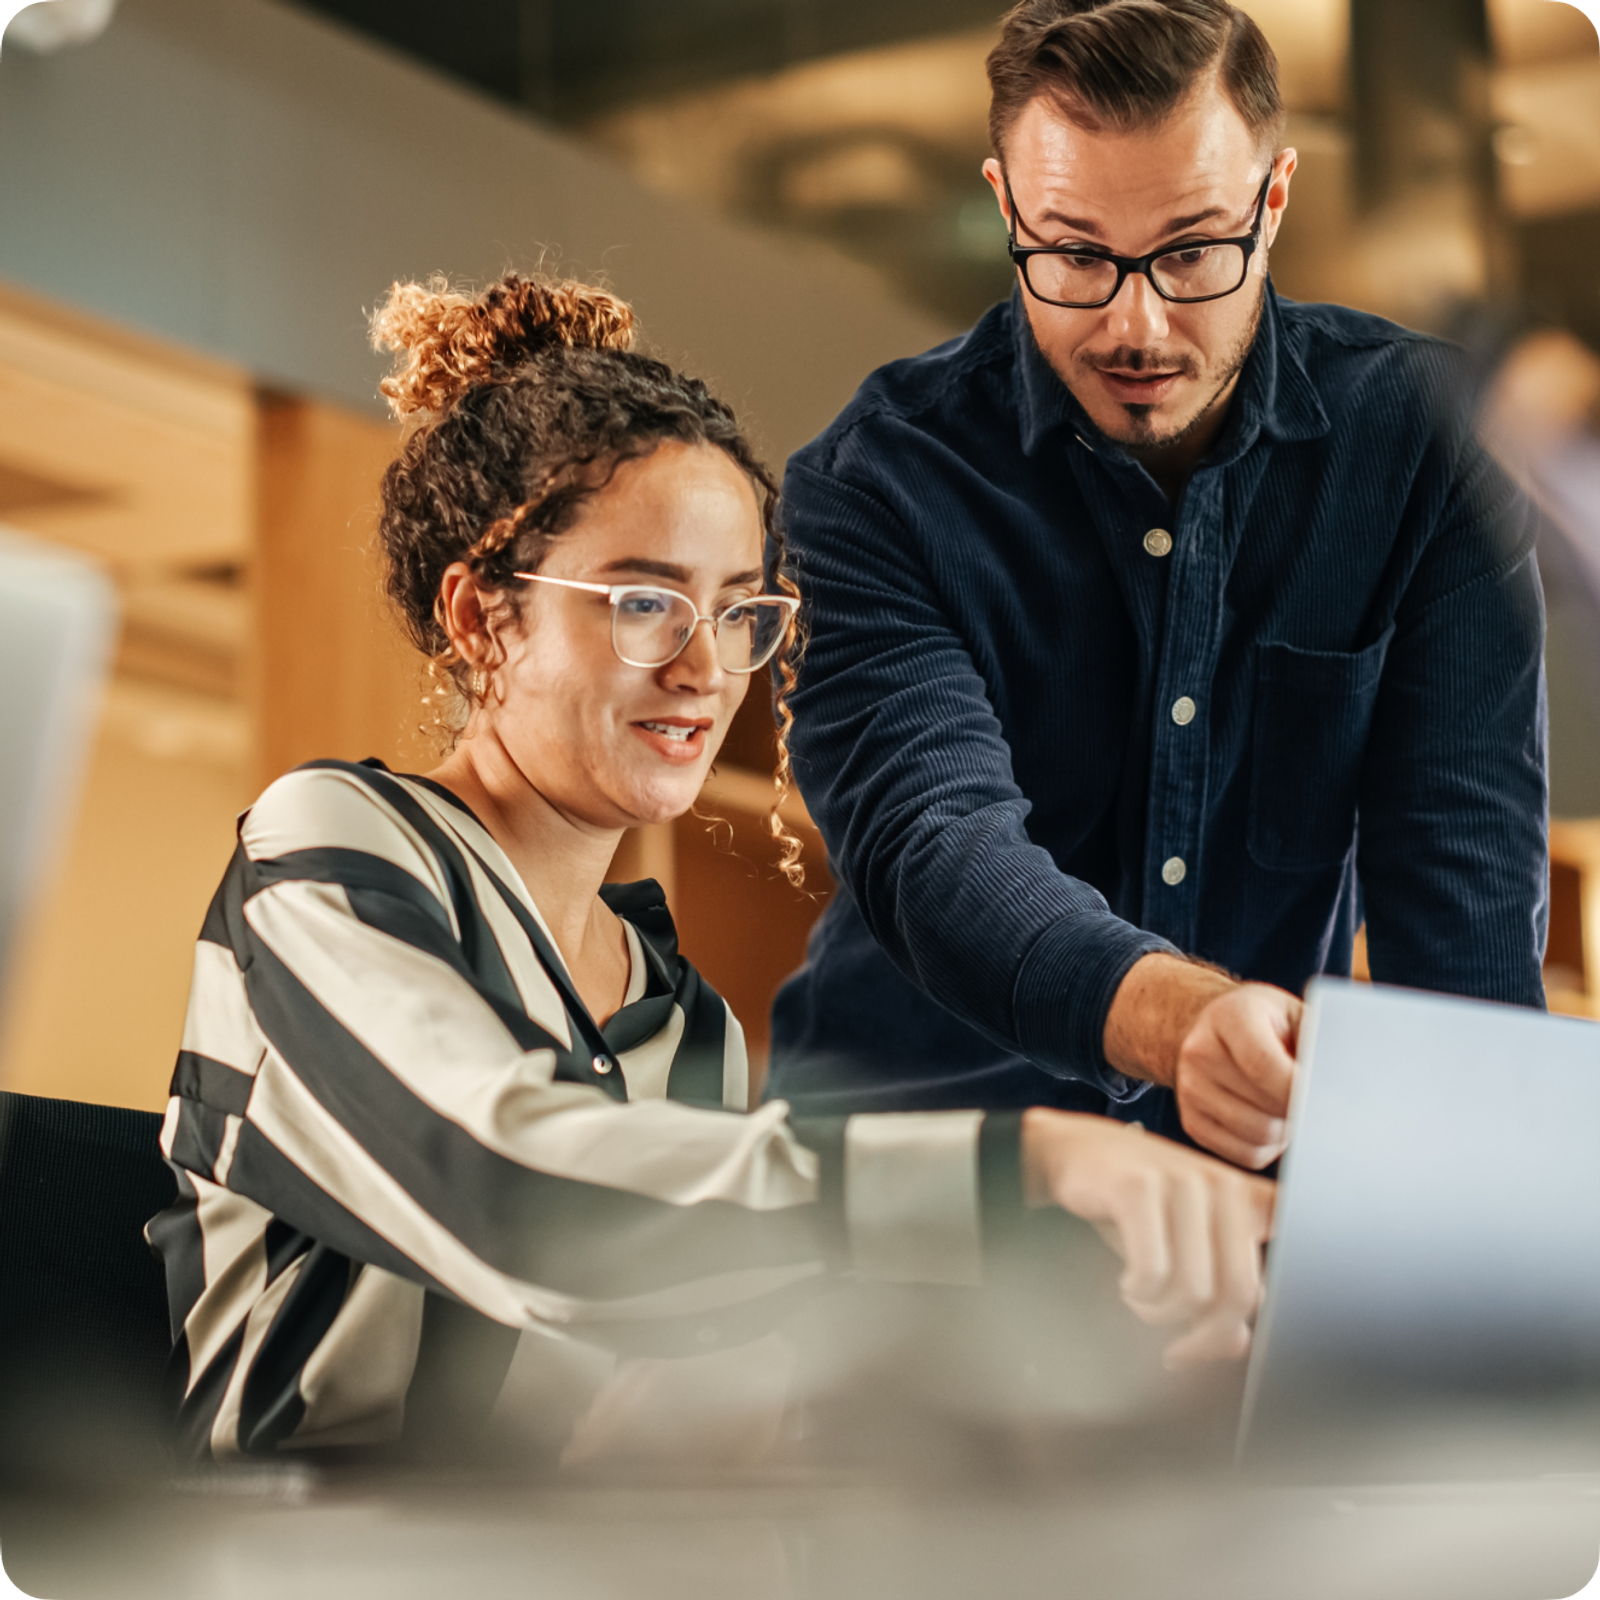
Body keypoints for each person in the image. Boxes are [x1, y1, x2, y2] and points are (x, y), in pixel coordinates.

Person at [144, 271, 1274, 1464]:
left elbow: (673, 1376)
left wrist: (1067, 1329)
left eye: (740, 613)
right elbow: (511, 1193)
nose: (704, 669)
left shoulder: (682, 1019)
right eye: (645, 602)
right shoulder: (329, 846)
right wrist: (1023, 1168)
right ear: (480, 619)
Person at [766, 0, 1547, 1168]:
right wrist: (1181, 1022)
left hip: (1244, 1183)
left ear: (1272, 201)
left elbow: (1463, 913)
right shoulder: (875, 482)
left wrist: (1486, 1209)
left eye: (1189, 252)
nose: (1136, 325)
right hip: (918, 1169)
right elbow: (934, 842)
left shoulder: (1426, 447)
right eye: (1075, 254)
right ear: (1005, 208)